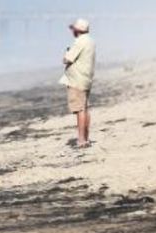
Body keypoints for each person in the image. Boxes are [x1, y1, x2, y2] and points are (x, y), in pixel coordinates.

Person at [60, 18, 96, 148]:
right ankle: (85, 138)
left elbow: (66, 59)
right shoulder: (91, 41)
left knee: (79, 109)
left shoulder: (79, 42)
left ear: (77, 30)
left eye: (73, 29)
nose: (72, 31)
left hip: (77, 79)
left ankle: (81, 140)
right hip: (86, 78)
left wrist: (66, 52)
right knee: (85, 109)